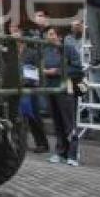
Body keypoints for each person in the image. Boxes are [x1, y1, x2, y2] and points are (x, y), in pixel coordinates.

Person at [26, 26, 83, 166]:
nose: (49, 37)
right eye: (47, 34)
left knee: (69, 123)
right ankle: (60, 151)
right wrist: (42, 72)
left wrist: (57, 71)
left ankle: (73, 154)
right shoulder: (44, 50)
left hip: (65, 89)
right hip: (50, 89)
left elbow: (77, 68)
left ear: (59, 36)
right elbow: (39, 68)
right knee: (57, 123)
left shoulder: (68, 48)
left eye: (51, 34)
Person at [11, 22, 49, 153]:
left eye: (18, 37)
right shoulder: (11, 53)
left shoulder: (32, 53)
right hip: (15, 87)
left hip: (29, 86)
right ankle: (21, 143)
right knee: (18, 116)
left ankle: (42, 143)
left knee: (34, 116)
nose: (16, 40)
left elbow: (37, 70)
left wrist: (34, 82)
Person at [66, 18, 100, 124]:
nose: (75, 28)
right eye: (73, 26)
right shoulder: (69, 39)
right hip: (80, 71)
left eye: (77, 25)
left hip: (95, 69)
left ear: (83, 25)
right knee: (85, 92)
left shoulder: (93, 35)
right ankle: (92, 115)